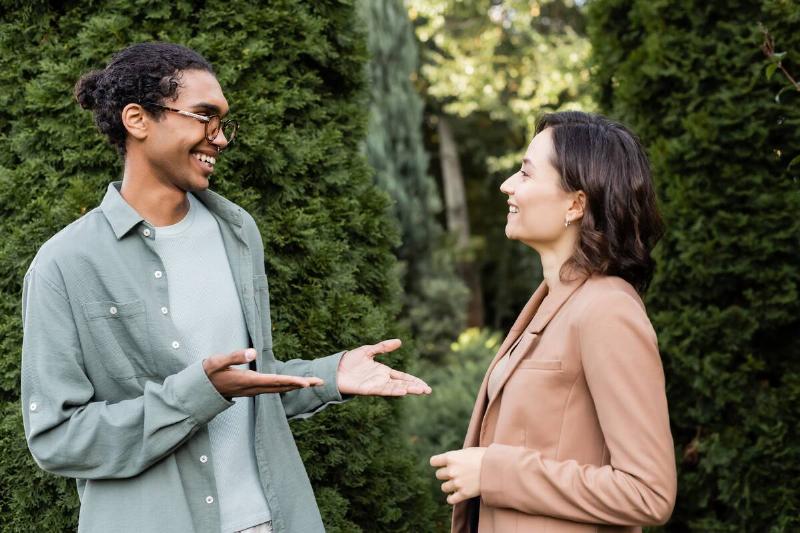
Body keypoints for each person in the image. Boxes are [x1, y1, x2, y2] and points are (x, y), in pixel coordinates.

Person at [20, 42, 430, 533]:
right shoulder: (65, 264)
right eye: (203, 116)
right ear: (137, 119)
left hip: (272, 521)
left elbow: (244, 383)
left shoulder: (237, 231)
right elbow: (56, 439)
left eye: (222, 123)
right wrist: (195, 395)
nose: (220, 138)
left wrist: (330, 374)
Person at [430, 111, 677, 532]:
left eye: (526, 174)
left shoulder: (607, 310)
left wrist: (495, 472)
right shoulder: (550, 300)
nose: (507, 185)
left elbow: (648, 492)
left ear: (576, 203)